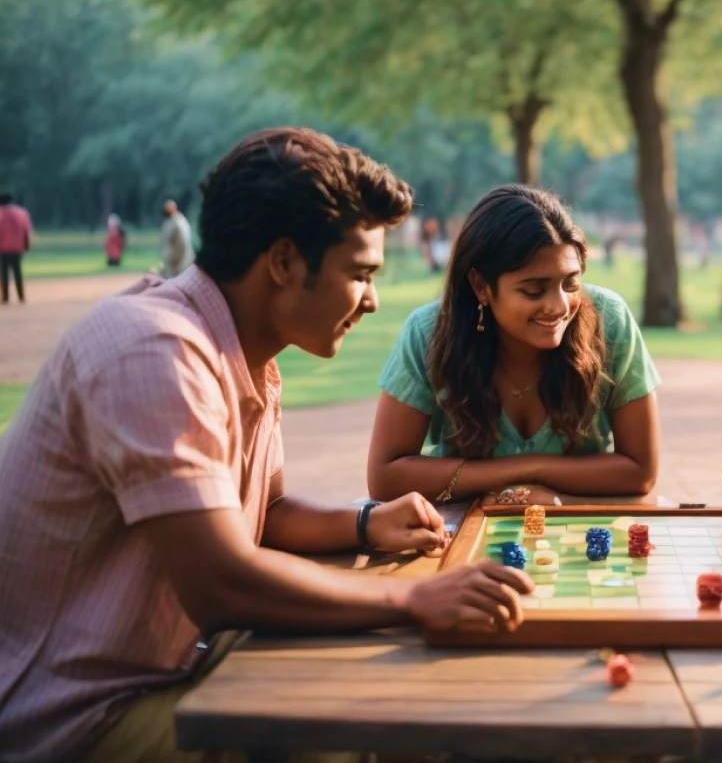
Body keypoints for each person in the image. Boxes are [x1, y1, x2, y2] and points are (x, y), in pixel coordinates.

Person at [0, 129, 533, 763]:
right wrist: (416, 596)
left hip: (175, 661)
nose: (373, 300)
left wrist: (365, 524)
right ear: (283, 262)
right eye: (360, 274)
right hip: (83, 715)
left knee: (403, 679)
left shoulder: (240, 354)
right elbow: (222, 582)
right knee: (382, 725)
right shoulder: (155, 351)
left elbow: (266, 517)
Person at [367, 184, 660, 506]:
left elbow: (640, 470)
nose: (559, 305)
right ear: (481, 286)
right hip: (458, 533)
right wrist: (521, 476)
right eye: (534, 290)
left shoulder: (608, 319)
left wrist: (534, 478)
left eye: (570, 283)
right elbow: (385, 478)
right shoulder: (428, 332)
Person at [0, 192, 33, 305]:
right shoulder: (22, 213)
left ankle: (5, 297)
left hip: (3, 248)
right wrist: (27, 245)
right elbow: (26, 232)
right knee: (17, 272)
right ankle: (21, 296)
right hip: (17, 247)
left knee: (4, 273)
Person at [159, 199, 195, 278]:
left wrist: (178, 260)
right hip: (172, 262)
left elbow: (183, 242)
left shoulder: (179, 222)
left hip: (180, 262)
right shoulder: (170, 222)